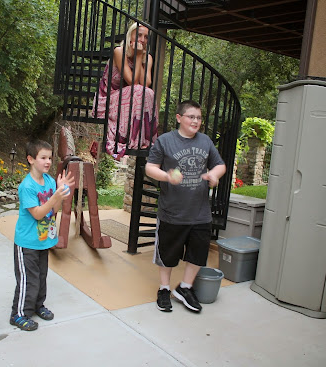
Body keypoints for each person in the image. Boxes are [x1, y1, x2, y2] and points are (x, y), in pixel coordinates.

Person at [145, 100, 226, 313]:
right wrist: (167, 176)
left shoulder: (206, 141)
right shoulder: (164, 141)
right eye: (191, 117)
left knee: (198, 254)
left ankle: (185, 287)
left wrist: (214, 175)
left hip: (200, 212)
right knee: (168, 254)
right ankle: (164, 289)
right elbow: (150, 167)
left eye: (199, 118)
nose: (196, 121)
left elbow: (220, 164)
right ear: (179, 118)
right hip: (172, 211)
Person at [10, 140, 74, 331]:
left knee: (41, 276)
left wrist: (61, 194)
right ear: (31, 159)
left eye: (50, 157)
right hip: (27, 242)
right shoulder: (27, 186)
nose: (48, 161)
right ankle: (19, 313)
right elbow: (37, 214)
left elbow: (53, 210)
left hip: (42, 240)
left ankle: (37, 305)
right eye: (43, 157)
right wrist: (56, 195)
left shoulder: (49, 181)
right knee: (28, 279)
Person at [93, 22, 158, 158]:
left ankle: (144, 139)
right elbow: (132, 81)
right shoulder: (119, 51)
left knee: (149, 93)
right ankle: (131, 139)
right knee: (138, 90)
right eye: (139, 35)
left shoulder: (148, 58)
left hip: (130, 99)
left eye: (146, 37)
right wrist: (138, 56)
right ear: (130, 35)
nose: (142, 39)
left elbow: (145, 83)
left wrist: (141, 57)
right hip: (108, 98)